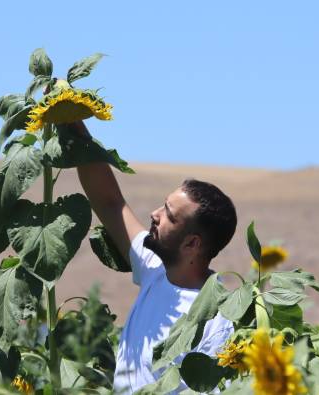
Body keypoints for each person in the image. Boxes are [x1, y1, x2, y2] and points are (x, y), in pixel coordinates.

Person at [70, 121, 238, 394]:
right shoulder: (156, 269)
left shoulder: (216, 321)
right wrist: (74, 125)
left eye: (169, 216)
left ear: (192, 244)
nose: (155, 214)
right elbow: (110, 202)